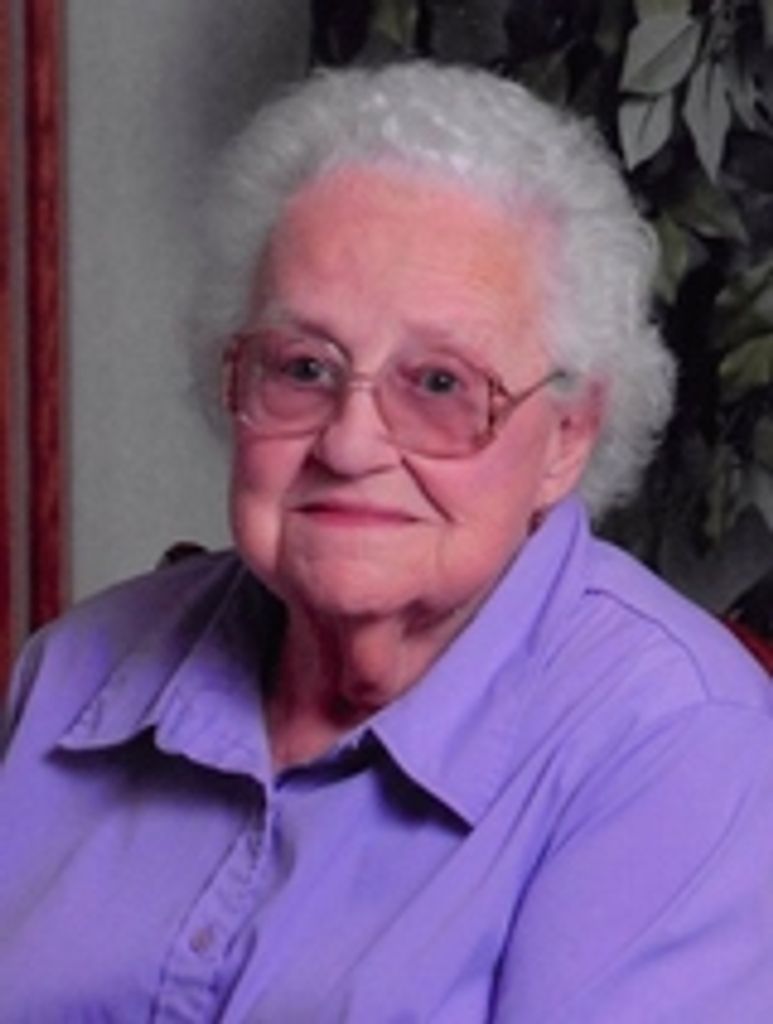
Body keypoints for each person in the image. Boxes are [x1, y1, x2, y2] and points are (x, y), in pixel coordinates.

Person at [1, 61, 772, 1023]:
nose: (350, 444)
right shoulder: (73, 673)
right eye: (303, 367)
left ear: (567, 437)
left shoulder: (681, 744)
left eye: (441, 384)